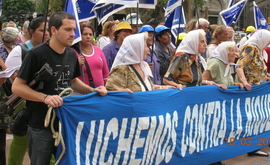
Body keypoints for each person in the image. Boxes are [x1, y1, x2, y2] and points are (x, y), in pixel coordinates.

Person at [11, 12, 108, 165]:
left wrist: (92, 90)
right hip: (40, 125)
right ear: (54, 30)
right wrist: (45, 98)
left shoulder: (71, 54)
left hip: (66, 123)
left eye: (74, 30)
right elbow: (17, 87)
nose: (73, 34)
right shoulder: (36, 54)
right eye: (68, 29)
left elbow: (73, 81)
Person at [5, 15, 50, 165]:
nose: (47, 33)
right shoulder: (20, 50)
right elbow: (11, 76)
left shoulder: (52, 50)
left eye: (49, 30)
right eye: (42, 30)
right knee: (21, 140)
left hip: (45, 102)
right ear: (31, 31)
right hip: (22, 103)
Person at [236, 29, 270, 156]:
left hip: (258, 89)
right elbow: (239, 66)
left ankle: (254, 146)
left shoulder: (258, 49)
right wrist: (244, 81)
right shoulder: (250, 48)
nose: (269, 42)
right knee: (251, 119)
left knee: (257, 119)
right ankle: (250, 147)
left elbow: (258, 69)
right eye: (268, 39)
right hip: (251, 90)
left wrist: (268, 76)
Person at [105, 33, 174, 92]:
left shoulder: (143, 66)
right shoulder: (121, 70)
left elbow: (147, 87)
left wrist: (163, 88)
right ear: (136, 50)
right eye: (145, 47)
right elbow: (110, 92)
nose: (147, 50)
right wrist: (120, 93)